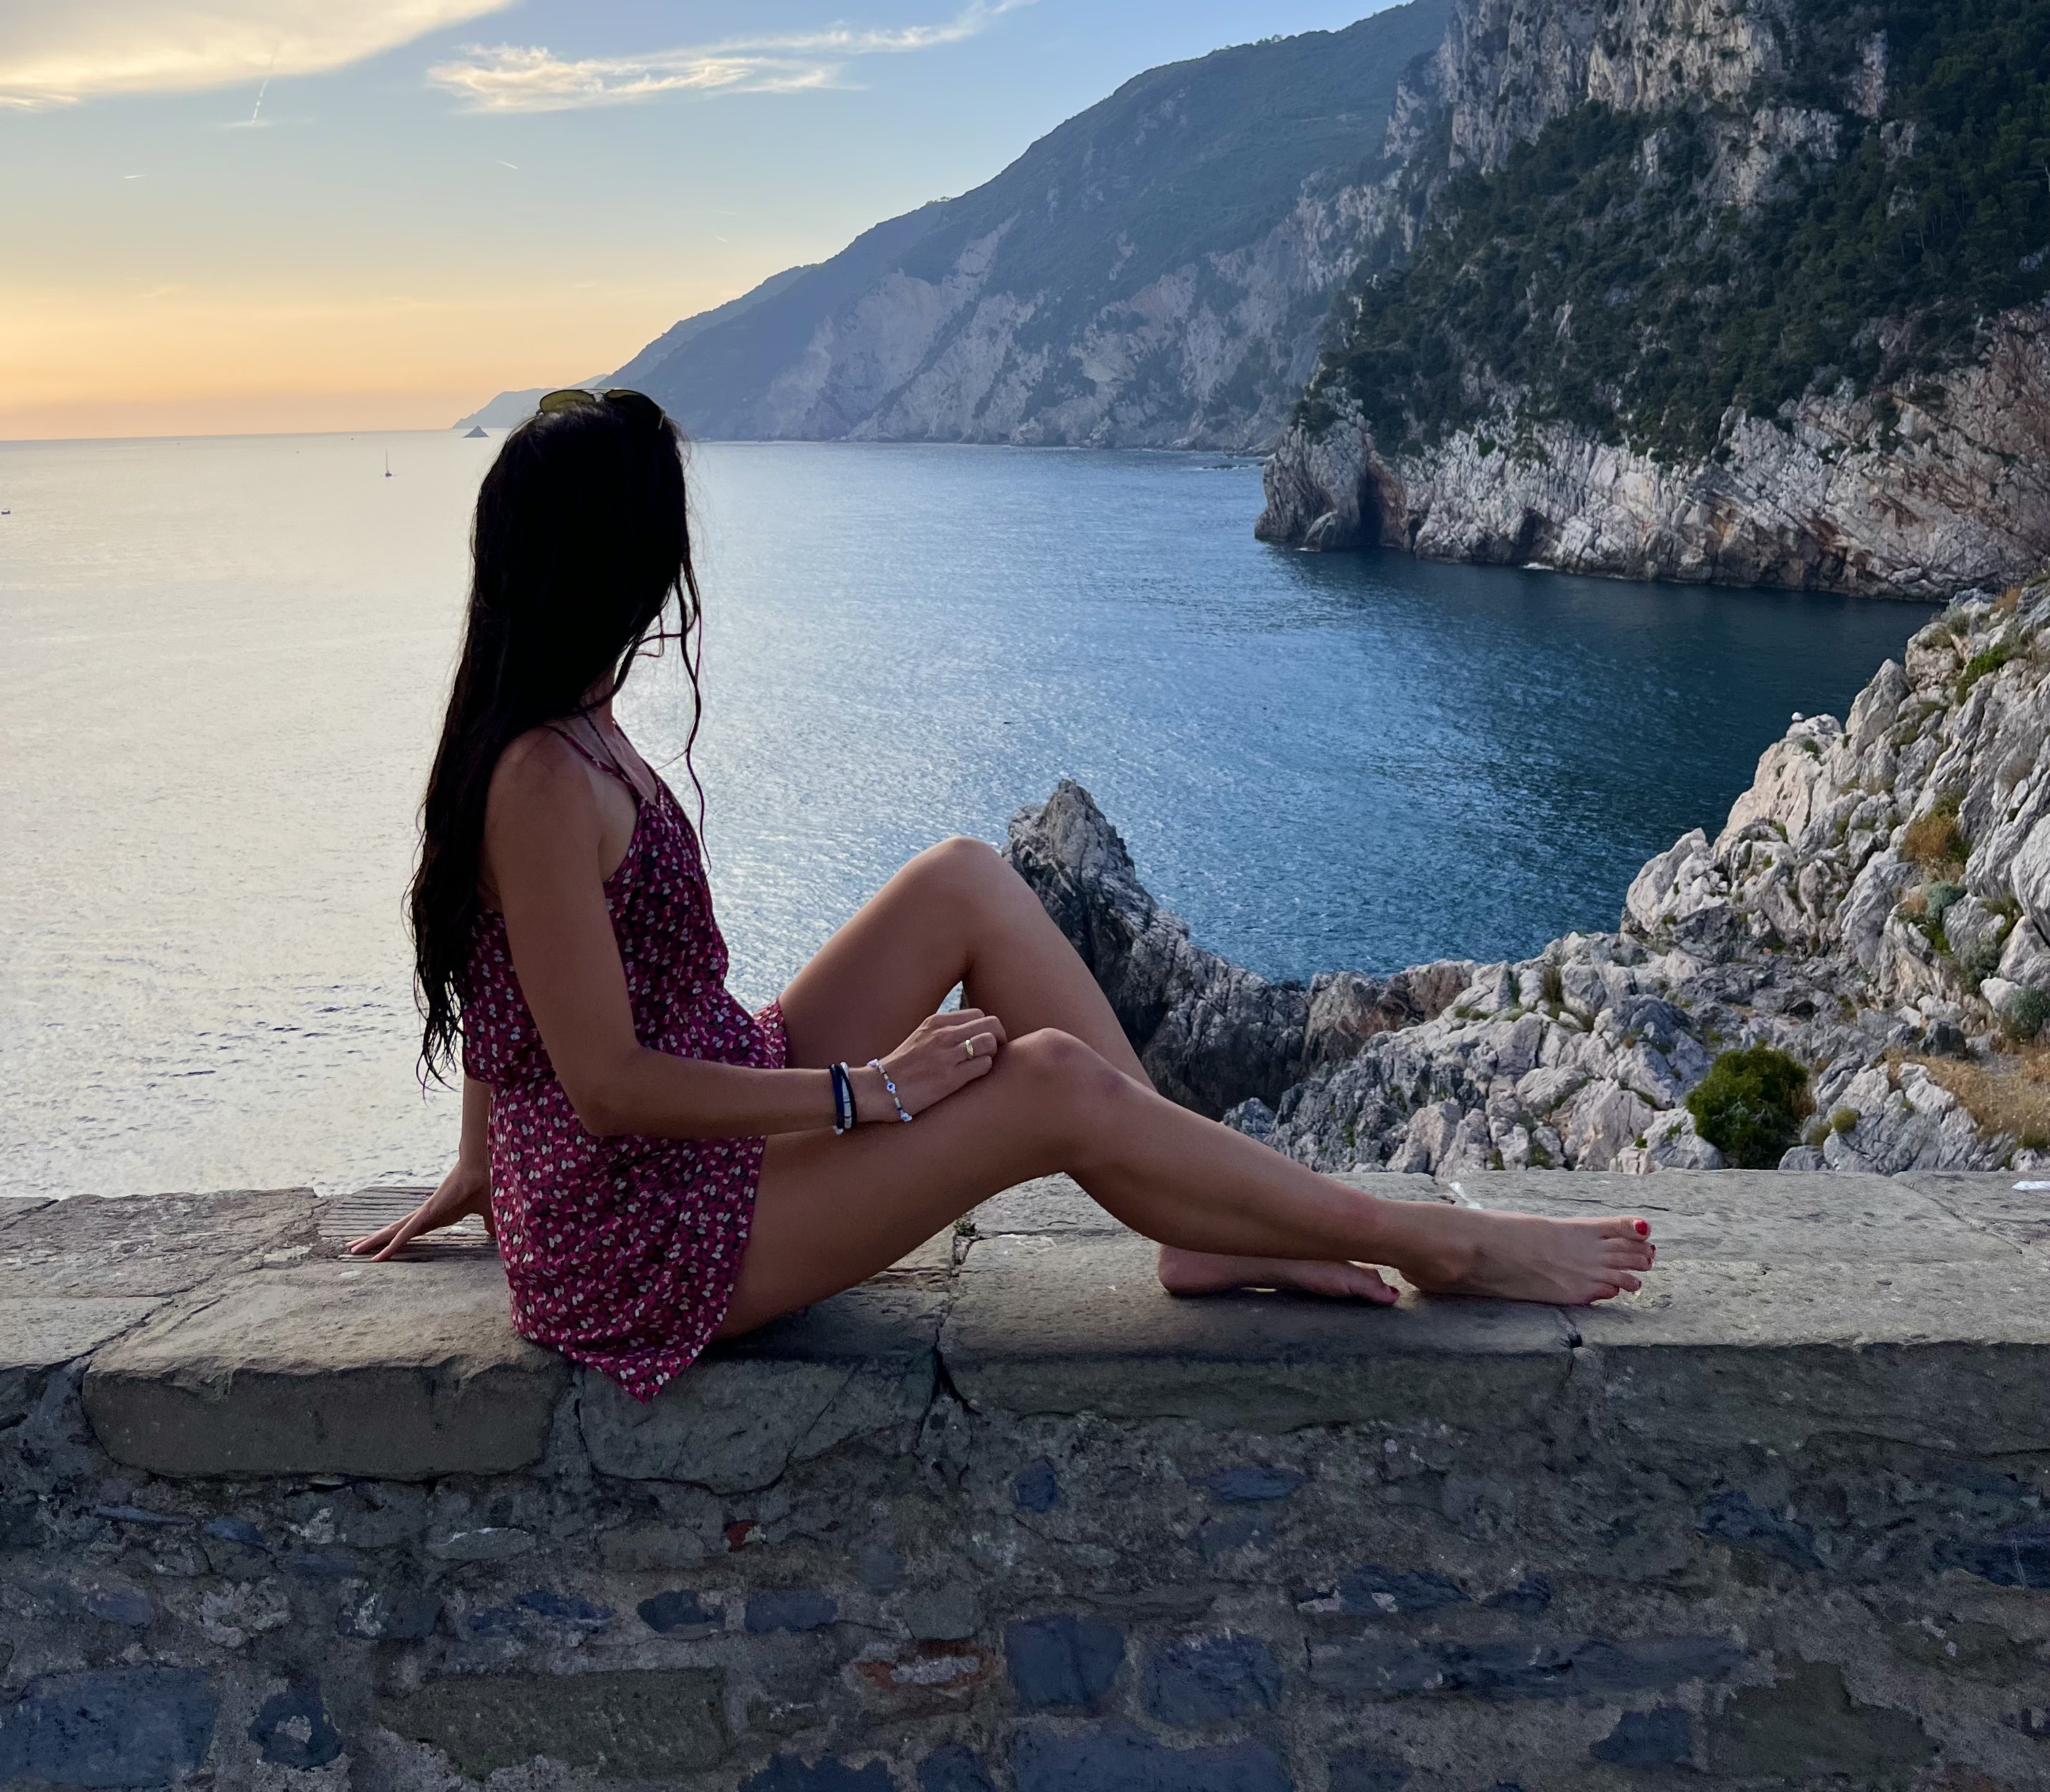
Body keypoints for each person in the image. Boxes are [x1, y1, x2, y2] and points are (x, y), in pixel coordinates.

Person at [353, 389, 1653, 1396]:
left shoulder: (569, 722)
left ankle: (1204, 1229)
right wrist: (869, 1092)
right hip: (642, 1236)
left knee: (964, 879)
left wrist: (478, 1160)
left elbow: (506, 969)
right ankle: (1431, 1242)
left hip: (694, 1133)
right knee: (1047, 1085)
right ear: (618, 558)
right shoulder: (541, 775)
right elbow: (605, 1085)